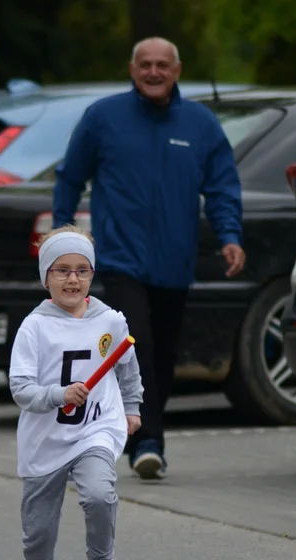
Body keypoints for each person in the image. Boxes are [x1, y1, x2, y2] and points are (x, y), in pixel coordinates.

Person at [53, 37, 246, 483]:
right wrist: (63, 235)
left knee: (163, 355)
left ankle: (135, 433)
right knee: (135, 344)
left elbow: (221, 188)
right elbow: (70, 176)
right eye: (146, 65)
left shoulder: (200, 124)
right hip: (121, 259)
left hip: (175, 263)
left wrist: (230, 237)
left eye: (163, 65)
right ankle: (149, 443)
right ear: (132, 69)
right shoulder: (103, 117)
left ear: (177, 71)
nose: (154, 72)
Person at [8, 225, 144, 560]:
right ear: (46, 277)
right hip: (44, 441)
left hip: (95, 429)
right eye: (62, 270)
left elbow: (127, 367)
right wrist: (57, 394)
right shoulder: (34, 327)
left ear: (91, 275)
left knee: (101, 495)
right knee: (38, 534)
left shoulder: (111, 321)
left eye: (81, 270)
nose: (72, 279)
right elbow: (21, 388)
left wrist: (132, 407)